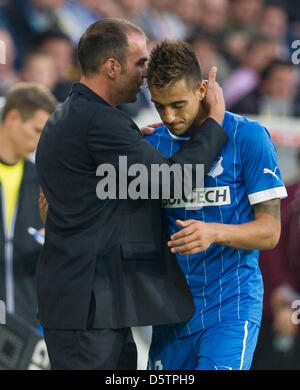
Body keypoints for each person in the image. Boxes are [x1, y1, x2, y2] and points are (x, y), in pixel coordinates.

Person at [35, 18, 228, 370]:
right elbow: (173, 181)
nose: (146, 72)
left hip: (88, 305)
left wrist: (133, 144)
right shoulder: (100, 123)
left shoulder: (70, 115)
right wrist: (214, 122)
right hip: (89, 310)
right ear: (112, 66)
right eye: (140, 62)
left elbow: (97, 183)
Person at [145, 39, 287, 370]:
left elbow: (270, 231)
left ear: (201, 89)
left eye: (178, 104)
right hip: (171, 314)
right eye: (159, 105)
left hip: (231, 306)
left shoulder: (248, 136)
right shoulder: (151, 143)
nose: (169, 116)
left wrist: (213, 232)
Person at [0, 82, 57, 329]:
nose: (39, 140)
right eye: (36, 130)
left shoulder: (43, 181)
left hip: (28, 329)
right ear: (12, 118)